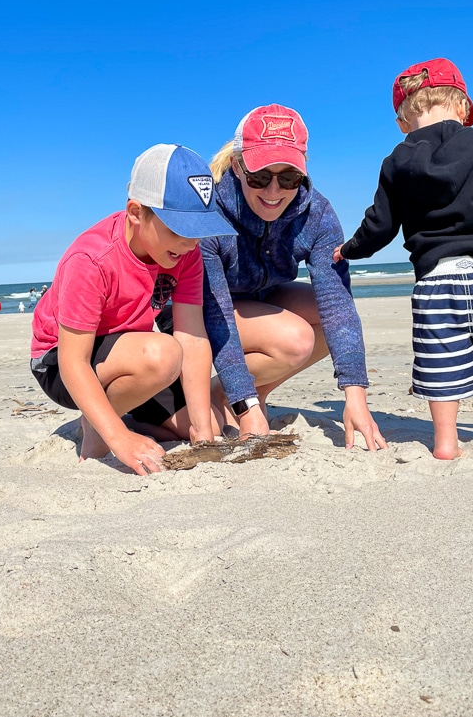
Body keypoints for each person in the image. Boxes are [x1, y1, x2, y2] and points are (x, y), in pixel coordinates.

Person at [334, 57, 473, 460]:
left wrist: (350, 249)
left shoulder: (395, 161)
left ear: (402, 121)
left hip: (434, 281)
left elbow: (380, 225)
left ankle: (445, 441)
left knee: (441, 358)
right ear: (463, 108)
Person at [30, 143, 236, 476]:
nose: (190, 244)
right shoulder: (91, 260)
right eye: (179, 230)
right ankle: (96, 426)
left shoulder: (185, 255)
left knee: (211, 419)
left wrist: (201, 432)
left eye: (198, 232)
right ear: (136, 213)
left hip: (125, 351)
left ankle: (120, 414)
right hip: (60, 361)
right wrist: (118, 437)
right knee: (163, 355)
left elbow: (193, 336)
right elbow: (73, 361)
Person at [201, 104, 386, 451]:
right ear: (238, 166)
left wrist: (356, 396)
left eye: (287, 177)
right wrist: (247, 409)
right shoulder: (210, 213)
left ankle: (239, 393)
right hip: (200, 310)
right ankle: (236, 397)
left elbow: (337, 305)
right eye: (260, 177)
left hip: (261, 296)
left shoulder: (317, 213)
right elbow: (215, 312)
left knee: (324, 314)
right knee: (296, 338)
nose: (273, 192)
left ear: (302, 172)